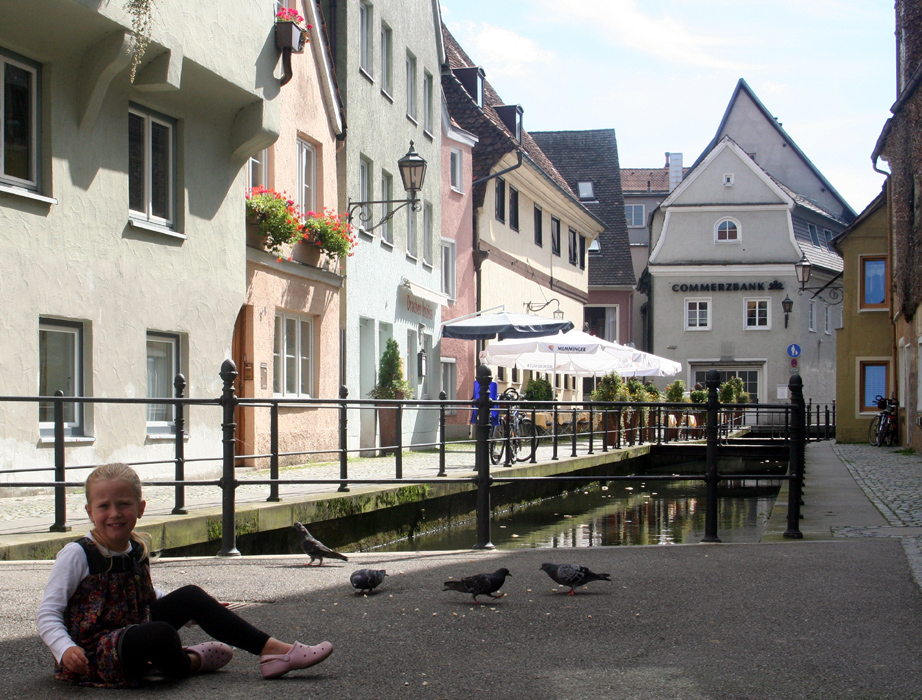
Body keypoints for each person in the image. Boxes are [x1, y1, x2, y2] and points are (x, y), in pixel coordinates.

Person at [37, 463, 333, 687]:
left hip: (134, 629)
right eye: (104, 506)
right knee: (161, 634)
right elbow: (48, 613)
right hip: (95, 651)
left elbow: (146, 597)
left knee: (191, 595)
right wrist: (65, 649)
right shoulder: (78, 554)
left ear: (140, 508)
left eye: (123, 504)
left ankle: (273, 652)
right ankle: (192, 661)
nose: (114, 513)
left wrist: (201, 610)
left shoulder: (136, 547)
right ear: (90, 512)